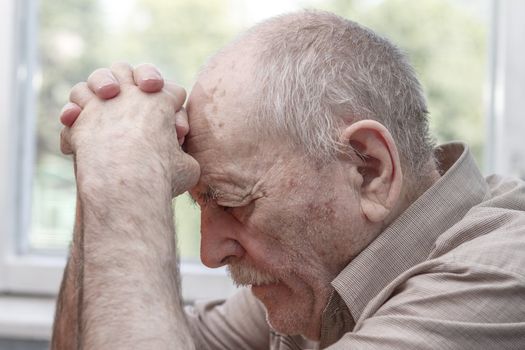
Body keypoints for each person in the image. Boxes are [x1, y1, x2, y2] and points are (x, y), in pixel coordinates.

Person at [51, 10, 525, 350]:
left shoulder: (499, 276)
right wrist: (101, 162)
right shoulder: (319, 276)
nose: (211, 254)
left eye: (233, 202)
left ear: (368, 170)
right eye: (201, 204)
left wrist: (124, 177)